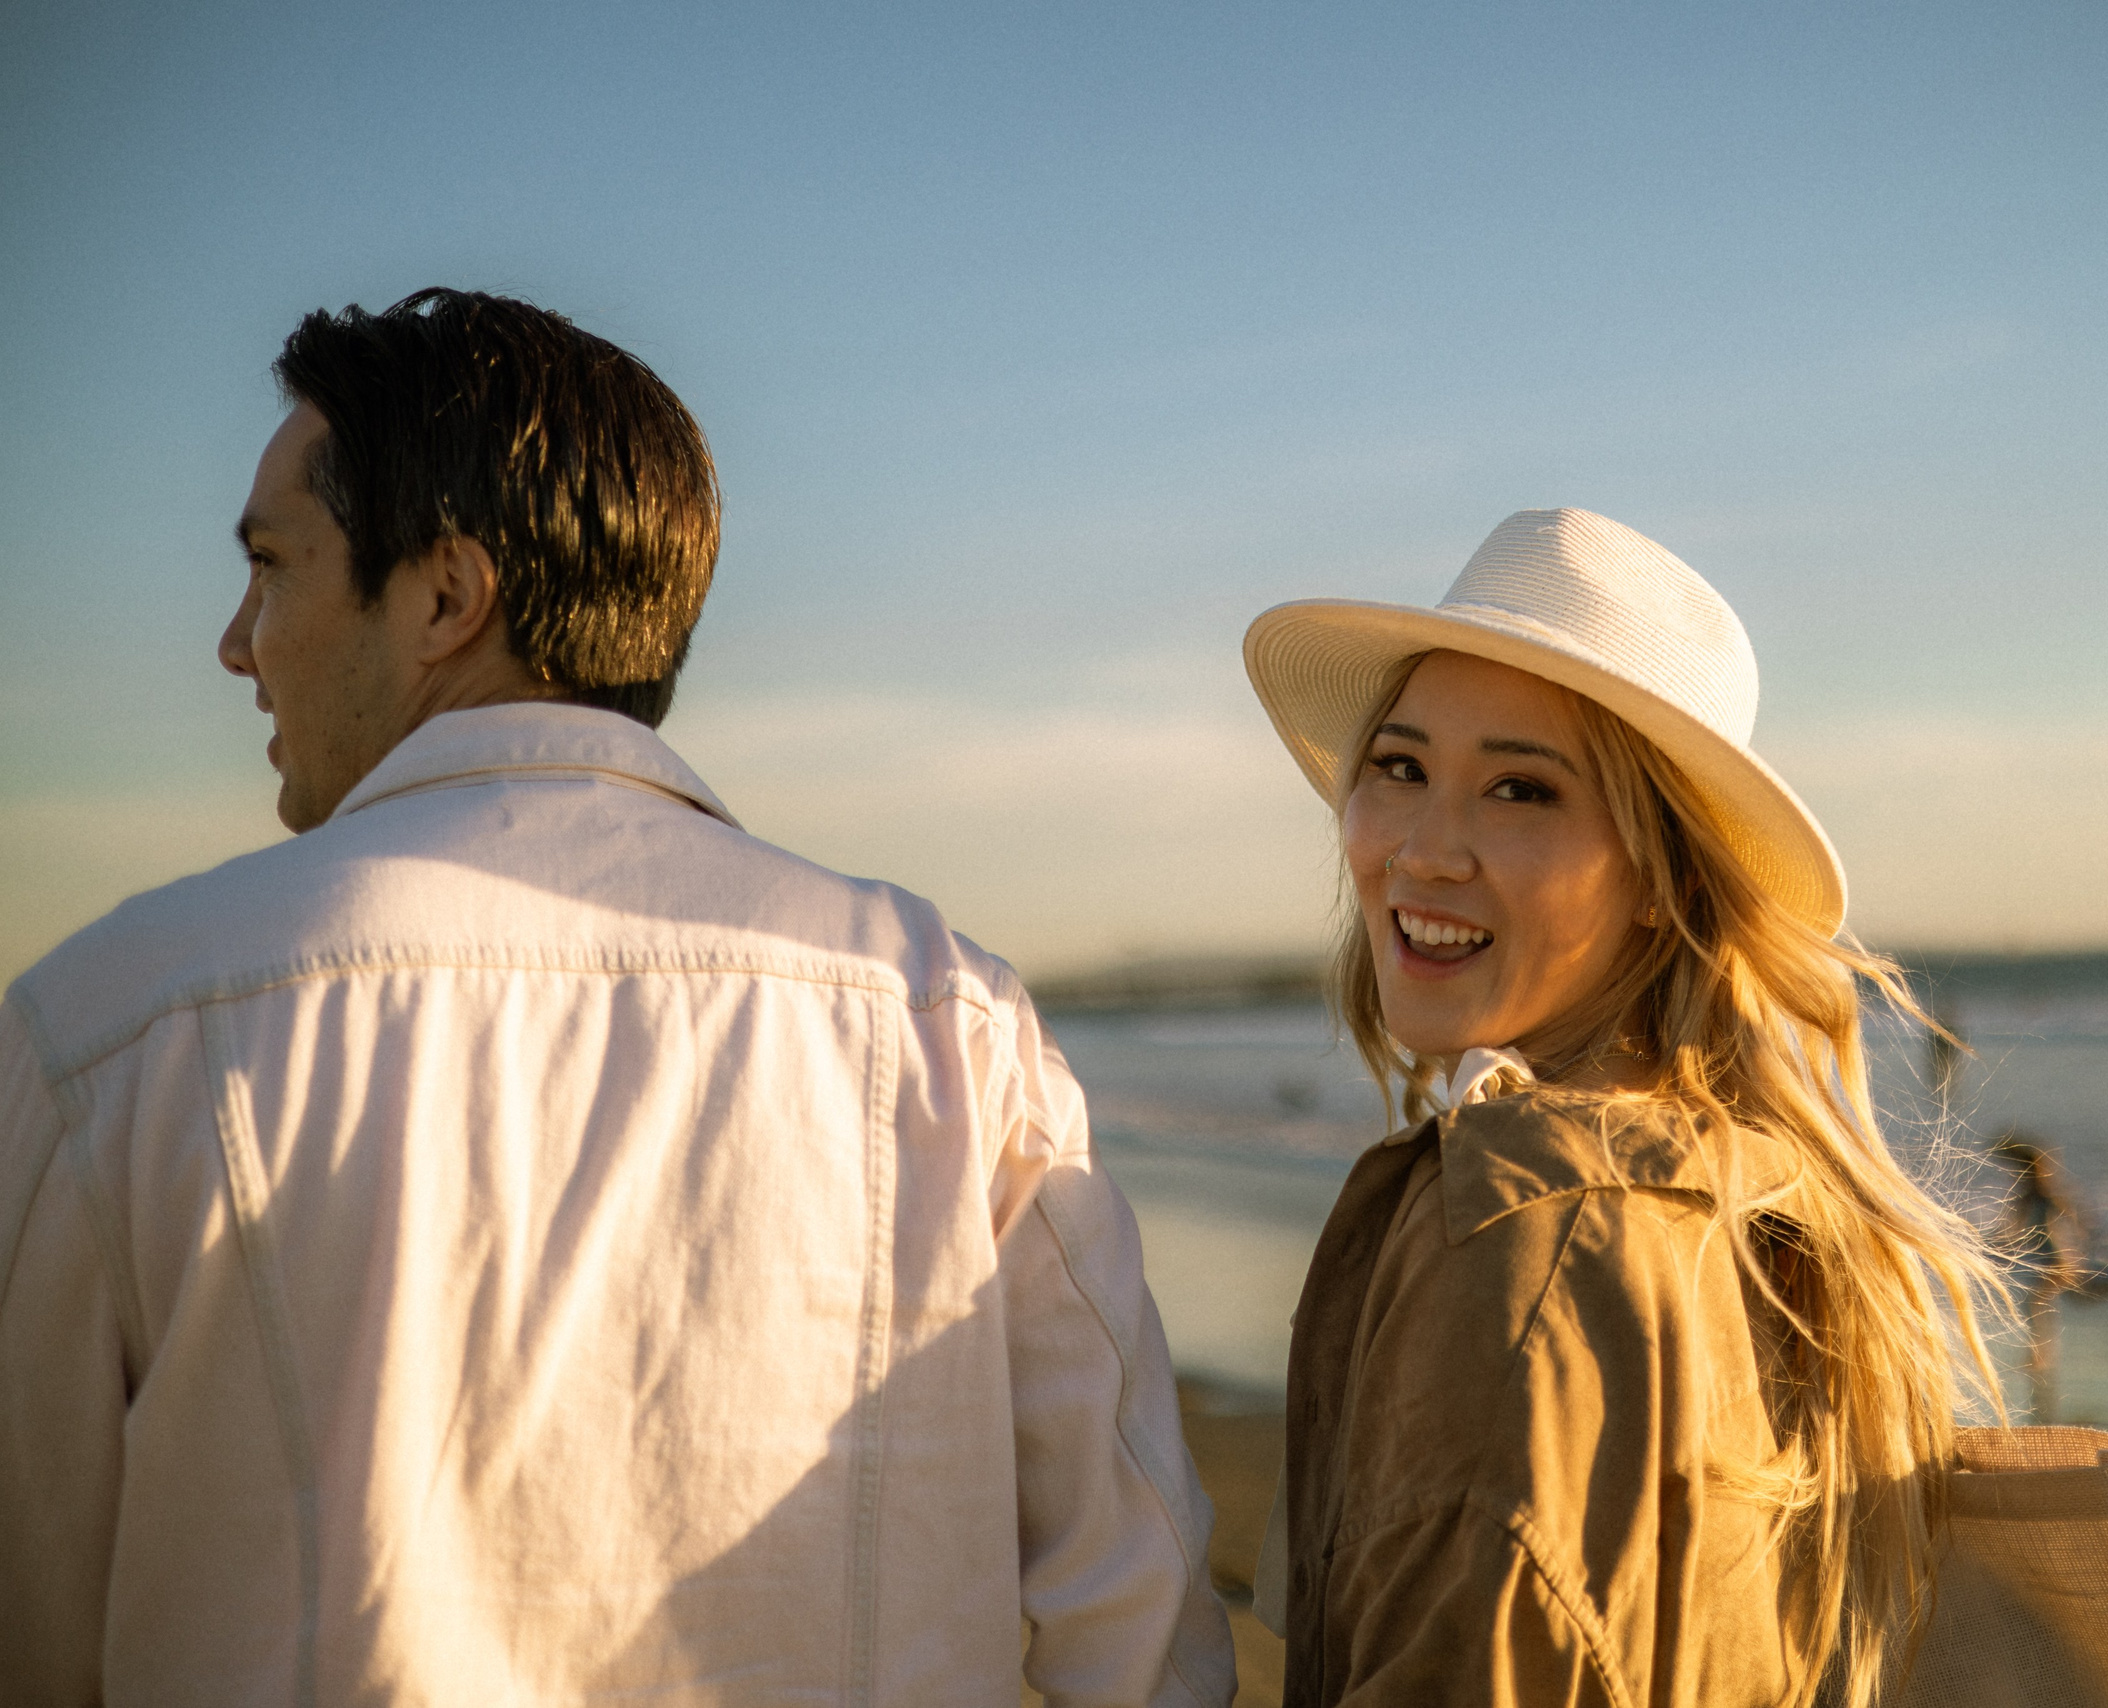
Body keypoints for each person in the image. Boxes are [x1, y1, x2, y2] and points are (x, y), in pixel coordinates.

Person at [0, 290, 1234, 1706]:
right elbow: (1140, 1632)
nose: (238, 639)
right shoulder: (943, 1018)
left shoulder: (113, 1031)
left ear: (447, 598)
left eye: (273, 568)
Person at [1239, 509, 2004, 1708]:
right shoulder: (1749, 1187)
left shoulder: (1525, 1233)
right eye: (1399, 768)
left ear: (1663, 878)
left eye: (1520, 790)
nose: (1425, 850)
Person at [1990, 1128, 2091, 1425]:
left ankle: (2040, 1356)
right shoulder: (2037, 1194)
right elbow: (2014, 1231)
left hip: (2059, 1261)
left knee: (2036, 1301)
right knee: (2081, 1297)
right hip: (2056, 1260)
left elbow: (2015, 1231)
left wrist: (1997, 1245)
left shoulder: (2042, 1194)